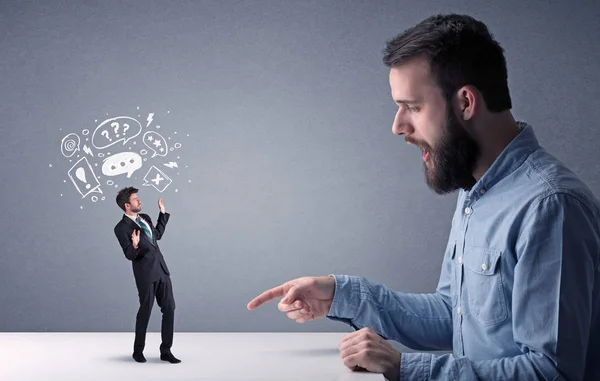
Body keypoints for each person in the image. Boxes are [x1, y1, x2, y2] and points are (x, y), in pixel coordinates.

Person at [247, 13, 600, 381]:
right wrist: (341, 294)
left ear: (465, 103)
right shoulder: (476, 190)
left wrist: (404, 368)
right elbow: (455, 315)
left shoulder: (551, 207)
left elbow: (551, 373)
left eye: (413, 107)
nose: (398, 126)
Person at [114, 187, 181, 364]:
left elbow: (156, 236)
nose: (139, 201)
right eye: (135, 199)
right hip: (145, 274)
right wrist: (134, 245)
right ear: (127, 205)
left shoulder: (146, 218)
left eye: (138, 198)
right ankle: (138, 351)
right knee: (145, 311)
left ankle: (166, 351)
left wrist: (163, 214)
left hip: (161, 270)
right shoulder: (121, 228)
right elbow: (129, 255)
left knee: (169, 308)